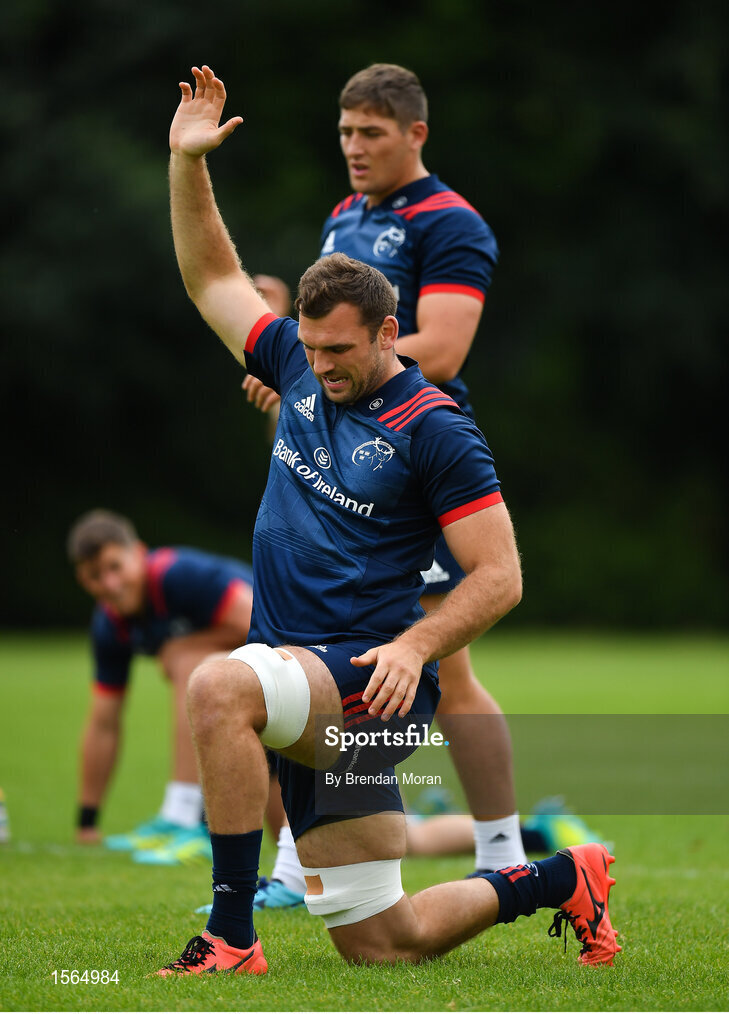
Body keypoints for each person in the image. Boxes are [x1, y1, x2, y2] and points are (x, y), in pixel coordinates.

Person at [159, 64, 620, 975]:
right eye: (311, 347)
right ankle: (561, 876)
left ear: (385, 331)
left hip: (365, 678)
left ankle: (228, 935)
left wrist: (416, 649)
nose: (320, 367)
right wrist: (186, 163)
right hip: (312, 682)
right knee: (383, 941)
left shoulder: (436, 429)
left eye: (340, 350)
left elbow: (500, 575)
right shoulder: (297, 357)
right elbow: (210, 271)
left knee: (218, 687)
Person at [68, 509, 256, 864]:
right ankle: (189, 819)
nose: (109, 584)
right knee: (333, 827)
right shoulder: (109, 625)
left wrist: (184, 648)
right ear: (82, 580)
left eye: (115, 567)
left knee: (191, 664)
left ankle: (183, 816)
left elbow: (262, 624)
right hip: (249, 681)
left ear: (138, 553)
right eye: (95, 576)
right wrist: (87, 821)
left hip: (299, 658)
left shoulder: (177, 574)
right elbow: (103, 722)